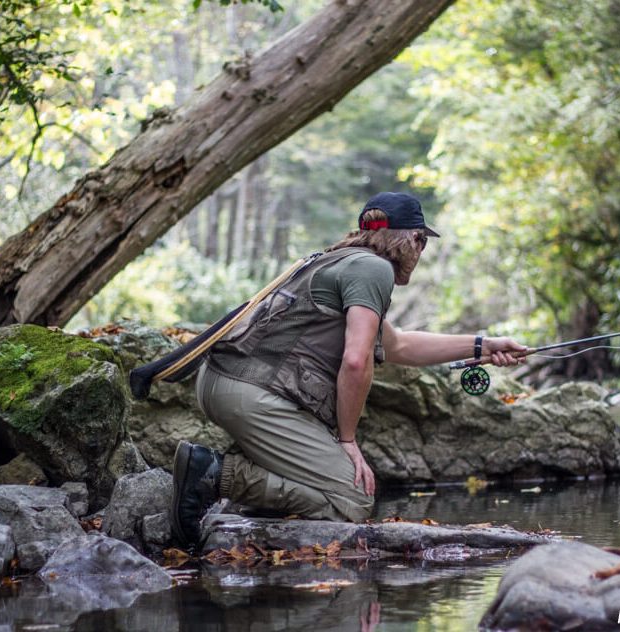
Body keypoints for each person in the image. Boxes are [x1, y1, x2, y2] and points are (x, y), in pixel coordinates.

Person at [171, 192, 528, 549]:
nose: (421, 254)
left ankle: (240, 499)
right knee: (353, 500)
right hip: (253, 394)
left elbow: (397, 344)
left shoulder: (339, 261)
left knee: (324, 484)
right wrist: (347, 439)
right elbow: (357, 361)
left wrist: (483, 345)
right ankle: (216, 476)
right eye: (422, 242)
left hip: (221, 383)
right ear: (412, 239)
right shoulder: (374, 270)